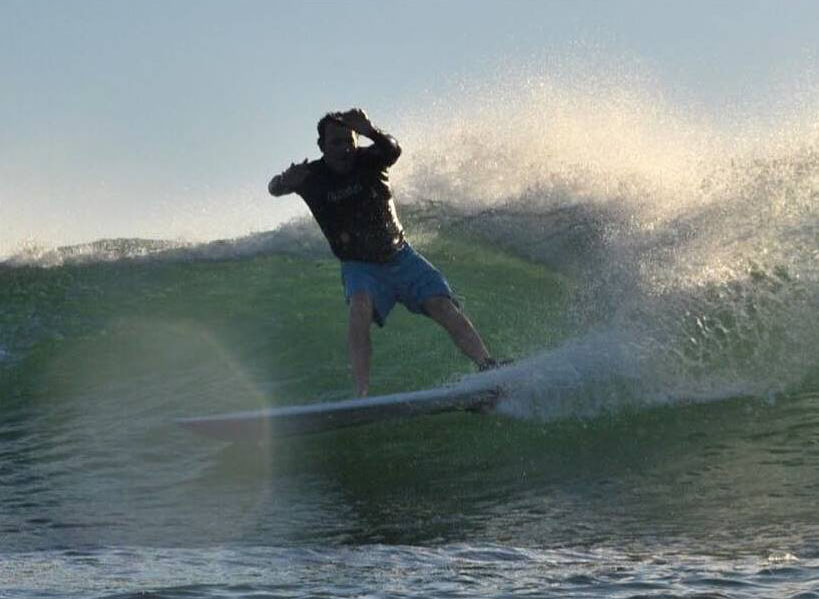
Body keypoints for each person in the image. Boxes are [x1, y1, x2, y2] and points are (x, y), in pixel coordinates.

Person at [268, 108, 502, 396]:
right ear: (322, 146)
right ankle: (362, 394)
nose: (344, 149)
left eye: (349, 141)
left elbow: (393, 149)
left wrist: (370, 130)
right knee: (359, 309)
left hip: (401, 255)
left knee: (442, 305)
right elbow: (273, 189)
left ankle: (487, 366)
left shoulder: (371, 159)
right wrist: (283, 181)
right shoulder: (310, 176)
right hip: (360, 267)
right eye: (336, 143)